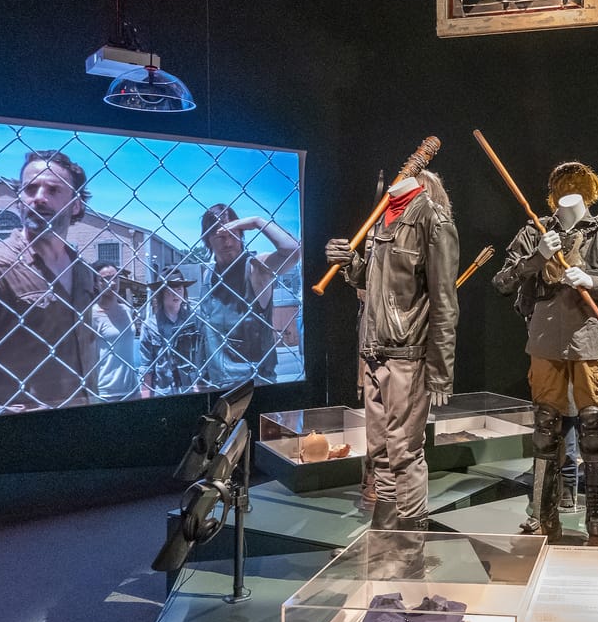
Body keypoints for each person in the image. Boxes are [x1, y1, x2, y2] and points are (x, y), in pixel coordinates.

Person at [491, 162, 598, 543]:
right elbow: (502, 281)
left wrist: (593, 281)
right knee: (545, 431)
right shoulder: (534, 232)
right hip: (546, 339)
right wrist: (537, 259)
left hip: (591, 340)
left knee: (593, 430)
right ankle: (542, 514)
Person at [326, 169, 459, 530]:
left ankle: (411, 535)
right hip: (374, 350)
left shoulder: (432, 221)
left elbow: (445, 302)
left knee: (404, 450)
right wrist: (350, 263)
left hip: (407, 355)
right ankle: (387, 531)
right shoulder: (382, 219)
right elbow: (372, 283)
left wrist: (440, 372)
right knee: (379, 450)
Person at [0, 150, 105, 416]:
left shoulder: (83, 271)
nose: (39, 197)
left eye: (53, 190)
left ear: (75, 205)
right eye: (30, 189)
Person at [196, 204, 301, 387]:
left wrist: (256, 221)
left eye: (233, 234)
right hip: (213, 382)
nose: (228, 243)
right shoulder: (208, 275)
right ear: (208, 240)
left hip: (252, 383)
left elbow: (292, 251)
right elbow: (205, 334)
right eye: (221, 236)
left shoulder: (255, 268)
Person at [90, 265, 148, 402]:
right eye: (105, 279)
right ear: (96, 284)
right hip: (105, 391)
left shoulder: (127, 310)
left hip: (132, 388)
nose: (112, 282)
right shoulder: (92, 314)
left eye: (115, 277)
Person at [142, 275, 207, 396]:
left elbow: (203, 357)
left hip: (191, 389)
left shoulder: (194, 320)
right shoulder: (150, 325)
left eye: (179, 289)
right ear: (161, 294)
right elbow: (146, 366)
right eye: (170, 290)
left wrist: (200, 386)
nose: (175, 294)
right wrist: (145, 396)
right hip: (163, 391)